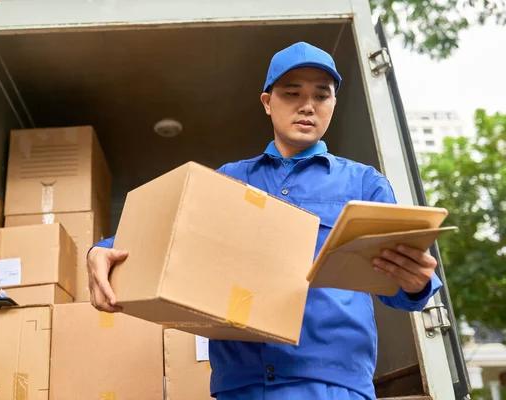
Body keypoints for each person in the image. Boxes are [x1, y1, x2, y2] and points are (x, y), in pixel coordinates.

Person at [86, 42, 443, 400]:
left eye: (322, 95)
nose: (307, 105)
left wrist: (415, 283)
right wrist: (101, 251)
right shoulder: (229, 181)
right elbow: (165, 236)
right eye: (292, 93)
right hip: (242, 385)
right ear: (267, 102)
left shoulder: (365, 184)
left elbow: (401, 296)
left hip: (331, 386)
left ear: (333, 104)